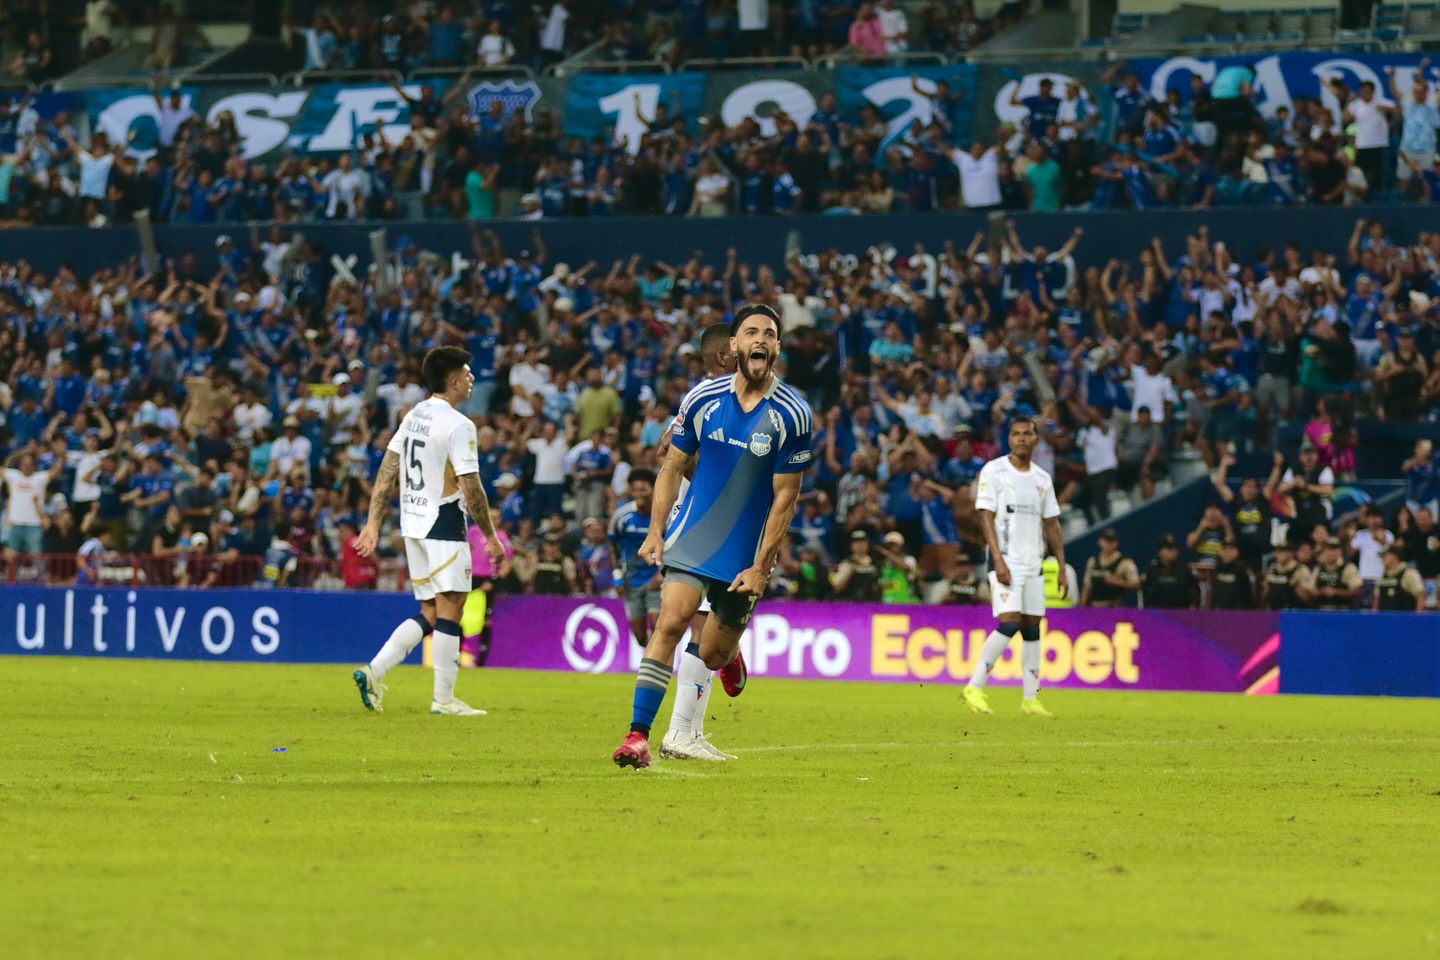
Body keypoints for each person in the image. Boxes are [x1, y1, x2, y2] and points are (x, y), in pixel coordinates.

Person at [612, 304, 812, 768]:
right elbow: (671, 466)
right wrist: (656, 532)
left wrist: (761, 567)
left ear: (777, 348)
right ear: (735, 347)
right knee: (671, 621)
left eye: (769, 333)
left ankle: (730, 655)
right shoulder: (702, 397)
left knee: (713, 650)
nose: (760, 339)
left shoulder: (794, 414)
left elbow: (785, 499)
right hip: (694, 535)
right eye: (751, 331)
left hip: (745, 552)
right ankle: (638, 736)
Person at [352, 347, 504, 717]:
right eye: (467, 374)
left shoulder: (413, 415)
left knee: (431, 611)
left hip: (413, 524)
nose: (471, 379)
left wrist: (373, 523)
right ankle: (444, 700)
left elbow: (388, 469)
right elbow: (471, 487)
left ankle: (374, 671)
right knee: (452, 607)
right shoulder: (458, 424)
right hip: (444, 520)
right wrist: (491, 536)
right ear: (452, 381)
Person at [655, 322, 738, 757]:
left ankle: (691, 732)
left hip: (710, 527)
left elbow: (664, 443)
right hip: (704, 527)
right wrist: (712, 492)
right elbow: (668, 448)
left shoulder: (717, 397)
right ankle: (679, 733)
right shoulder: (714, 395)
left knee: (709, 630)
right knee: (704, 628)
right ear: (727, 353)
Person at [962, 417, 1065, 718]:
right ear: (1009, 439)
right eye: (1016, 434)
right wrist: (997, 557)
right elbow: (985, 515)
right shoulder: (994, 470)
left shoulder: (1042, 478)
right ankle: (974, 687)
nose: (1021, 439)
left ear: (1035, 439)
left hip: (1034, 563)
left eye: (1027, 434)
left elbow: (1052, 523)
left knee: (1032, 628)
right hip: (1006, 560)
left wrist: (1060, 563)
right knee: (1009, 623)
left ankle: (1030, 699)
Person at [611, 468, 662, 647]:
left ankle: (657, 668)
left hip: (656, 579)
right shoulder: (622, 516)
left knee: (658, 627)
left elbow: (673, 545)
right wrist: (617, 575)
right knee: (640, 636)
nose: (639, 494)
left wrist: (662, 574)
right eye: (635, 490)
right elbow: (612, 544)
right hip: (631, 580)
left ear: (653, 489)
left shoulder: (663, 516)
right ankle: (652, 658)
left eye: (643, 489)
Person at [461, 507, 512, 668]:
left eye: (496, 517)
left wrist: (494, 580)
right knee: (459, 618)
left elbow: (506, 565)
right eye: (490, 516)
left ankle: (481, 660)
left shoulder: (502, 538)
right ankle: (457, 656)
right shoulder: (472, 532)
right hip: (468, 580)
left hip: (486, 582)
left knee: (485, 621)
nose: (493, 520)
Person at [1079, 528, 1139, 607]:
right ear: (1099, 542)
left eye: (1112, 541)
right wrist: (1081, 607)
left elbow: (1136, 585)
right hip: (1096, 607)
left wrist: (1118, 582)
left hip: (1115, 606)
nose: (1109, 545)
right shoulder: (1093, 562)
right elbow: (1087, 585)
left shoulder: (1125, 562)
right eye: (1106, 541)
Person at [1298, 537, 1361, 611]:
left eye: (1334, 549)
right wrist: (1318, 592)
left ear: (1340, 551)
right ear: (1324, 551)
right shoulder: (1319, 569)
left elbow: (1356, 591)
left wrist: (1335, 592)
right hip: (1321, 609)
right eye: (1329, 549)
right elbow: (1311, 589)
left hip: (1342, 610)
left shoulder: (1348, 568)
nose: (1332, 553)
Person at [1142, 534, 1199, 609]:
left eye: (1175, 548)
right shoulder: (1152, 569)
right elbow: (1145, 591)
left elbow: (1195, 588)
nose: (1173, 552)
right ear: (1160, 551)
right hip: (1156, 612)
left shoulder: (1184, 568)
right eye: (1169, 549)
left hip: (1180, 611)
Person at [1374, 544, 1425, 612]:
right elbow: (1377, 599)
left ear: (1394, 556)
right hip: (1384, 620)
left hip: (1405, 620)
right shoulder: (1382, 576)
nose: (1382, 559)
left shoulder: (1408, 574)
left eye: (1384, 556)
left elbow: (1420, 596)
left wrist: (1418, 618)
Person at [1209, 539, 1255, 609]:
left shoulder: (1243, 569)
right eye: (1224, 549)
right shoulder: (1218, 567)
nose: (1227, 553)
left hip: (1238, 613)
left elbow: (1252, 592)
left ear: (1237, 552)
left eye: (1231, 549)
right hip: (1219, 611)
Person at [1261, 541, 1305, 610]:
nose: (1277, 554)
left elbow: (1307, 597)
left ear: (1290, 553)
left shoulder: (1300, 569)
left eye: (1281, 551)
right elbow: (1266, 589)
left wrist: (1294, 586)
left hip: (1292, 610)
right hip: (1273, 610)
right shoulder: (1272, 568)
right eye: (1277, 551)